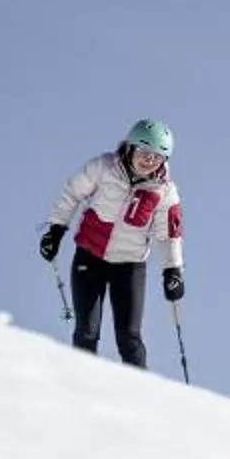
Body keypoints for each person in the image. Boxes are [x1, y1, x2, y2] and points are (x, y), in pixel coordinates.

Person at [39, 120, 184, 368]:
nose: (149, 161)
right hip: (90, 257)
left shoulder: (164, 191)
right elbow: (72, 194)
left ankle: (141, 394)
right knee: (86, 331)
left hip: (129, 266)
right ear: (130, 147)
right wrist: (56, 229)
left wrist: (173, 271)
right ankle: (82, 385)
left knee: (129, 338)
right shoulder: (104, 168)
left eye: (157, 157)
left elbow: (169, 235)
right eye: (144, 152)